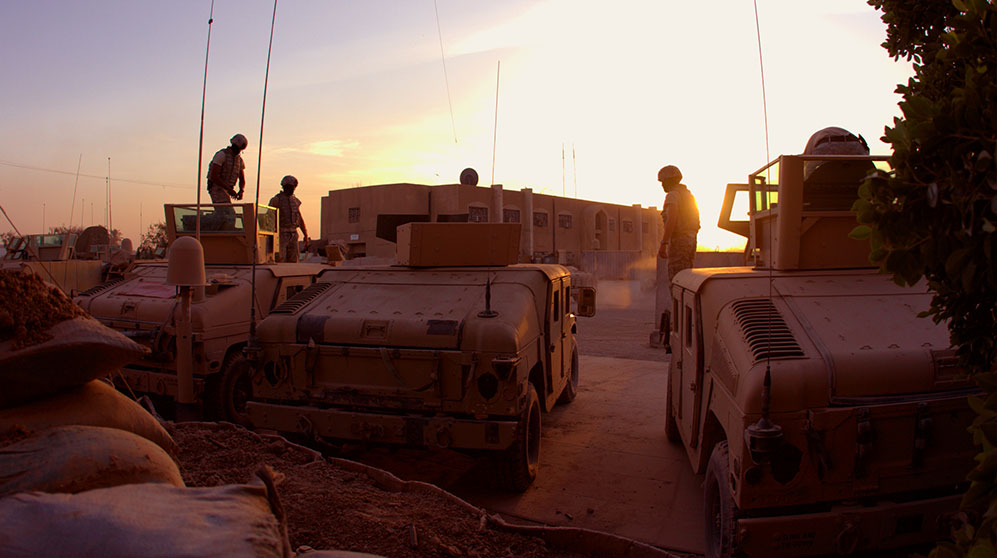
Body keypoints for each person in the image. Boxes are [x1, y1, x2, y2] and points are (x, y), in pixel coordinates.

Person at [656, 165, 699, 351]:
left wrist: (664, 242)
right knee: (685, 285)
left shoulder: (673, 195)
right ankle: (683, 328)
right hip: (690, 241)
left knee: (677, 285)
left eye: (663, 182)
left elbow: (672, 218)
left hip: (680, 241)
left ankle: (679, 331)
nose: (662, 186)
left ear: (668, 181)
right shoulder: (688, 195)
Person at [268, 175, 308, 263]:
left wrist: (305, 234)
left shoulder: (295, 201)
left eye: (293, 187)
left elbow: (299, 218)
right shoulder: (276, 200)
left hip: (293, 234)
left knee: (294, 259)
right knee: (280, 259)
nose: (292, 189)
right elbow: (269, 218)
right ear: (284, 187)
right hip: (281, 234)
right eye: (289, 187)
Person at [207, 134, 248, 205]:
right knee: (227, 213)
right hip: (217, 188)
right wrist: (229, 189)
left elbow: (242, 178)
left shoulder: (239, 161)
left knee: (226, 213)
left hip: (227, 189)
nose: (239, 151)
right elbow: (214, 176)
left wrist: (241, 190)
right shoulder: (222, 155)